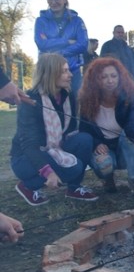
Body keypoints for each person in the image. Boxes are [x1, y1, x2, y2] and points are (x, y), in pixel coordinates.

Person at [11, 53, 98, 206]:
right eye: (65, 71)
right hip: (25, 156)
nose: (70, 75)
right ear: (51, 73)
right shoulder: (30, 100)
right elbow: (29, 145)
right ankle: (27, 186)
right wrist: (48, 172)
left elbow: (71, 130)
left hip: (55, 147)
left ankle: (74, 188)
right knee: (72, 168)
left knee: (84, 139)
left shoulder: (67, 95)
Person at [78, 58, 134, 195]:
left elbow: (132, 124)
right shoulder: (87, 99)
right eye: (103, 77)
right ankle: (108, 179)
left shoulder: (131, 96)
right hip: (104, 146)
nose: (110, 81)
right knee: (104, 163)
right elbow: (84, 129)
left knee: (128, 138)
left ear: (120, 77)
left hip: (124, 145)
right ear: (95, 80)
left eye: (113, 76)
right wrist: (96, 144)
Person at [34, 0, 88, 93]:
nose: (53, 2)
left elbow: (83, 44)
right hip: (48, 71)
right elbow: (41, 44)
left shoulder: (77, 21)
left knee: (75, 106)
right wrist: (67, 41)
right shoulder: (41, 21)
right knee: (48, 105)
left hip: (72, 71)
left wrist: (59, 52)